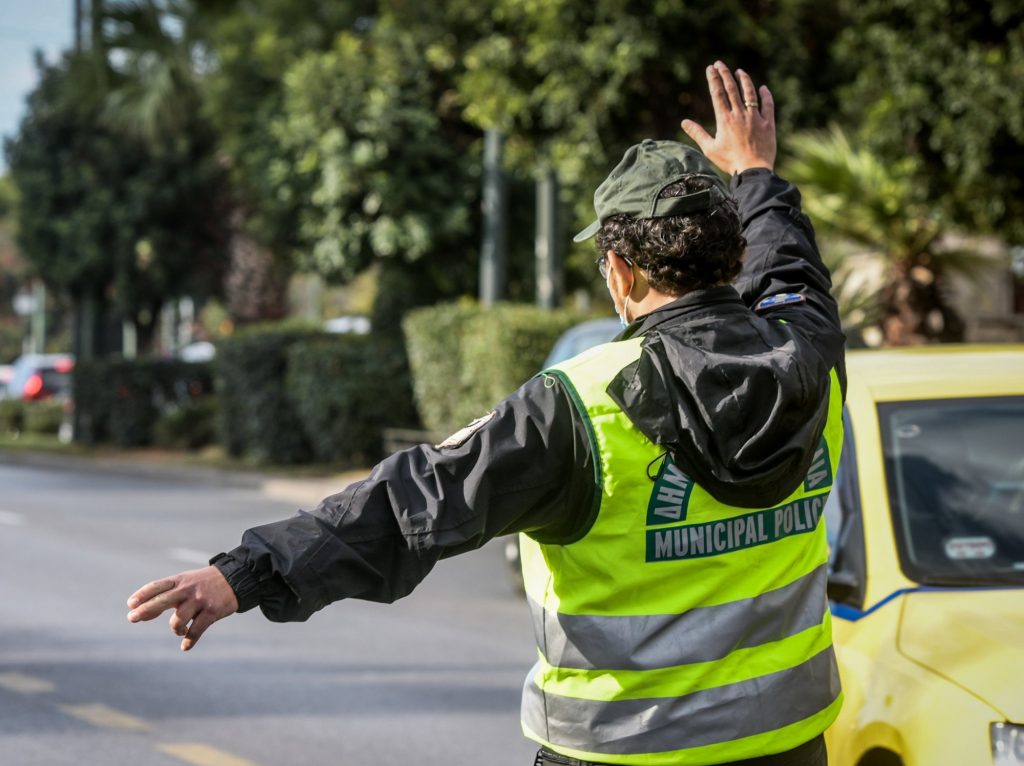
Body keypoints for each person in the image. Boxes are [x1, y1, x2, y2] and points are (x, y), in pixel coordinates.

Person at [128, 61, 846, 766]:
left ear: (621, 272)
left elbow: (416, 499)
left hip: (625, 755)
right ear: (734, 254)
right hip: (786, 744)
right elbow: (789, 267)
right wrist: (754, 171)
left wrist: (246, 573)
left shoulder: (581, 406)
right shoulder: (810, 354)